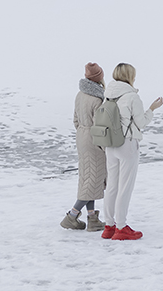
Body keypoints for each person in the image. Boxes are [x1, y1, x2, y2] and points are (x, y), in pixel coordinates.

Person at [101, 62, 163, 241]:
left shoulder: (108, 95)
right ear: (130, 76)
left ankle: (109, 226)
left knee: (112, 186)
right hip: (127, 144)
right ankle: (121, 227)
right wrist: (152, 109)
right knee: (125, 187)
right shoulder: (131, 97)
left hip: (110, 144)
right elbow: (141, 123)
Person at [60, 62, 108, 232]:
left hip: (81, 136)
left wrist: (82, 133)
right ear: (99, 77)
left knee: (88, 178)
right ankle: (71, 216)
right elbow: (99, 126)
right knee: (93, 179)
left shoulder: (80, 95)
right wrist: (104, 146)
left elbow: (75, 120)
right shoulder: (98, 99)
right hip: (93, 140)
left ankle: (92, 218)